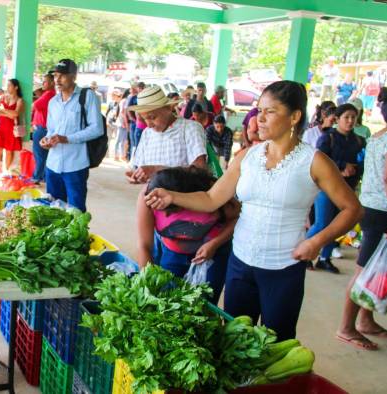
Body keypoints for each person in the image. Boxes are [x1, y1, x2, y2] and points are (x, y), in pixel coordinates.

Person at [145, 80, 363, 340]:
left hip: (283, 267)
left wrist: (317, 241)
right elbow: (211, 199)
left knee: (277, 343)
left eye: (270, 112)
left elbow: (353, 209)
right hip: (240, 264)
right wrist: (172, 195)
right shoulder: (247, 157)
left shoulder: (314, 162)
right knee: (236, 339)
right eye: (259, 110)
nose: (260, 118)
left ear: (294, 116)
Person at [338, 88, 387, 350]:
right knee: (366, 269)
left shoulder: (380, 136)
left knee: (380, 270)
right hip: (386, 213)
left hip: (376, 209)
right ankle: (346, 327)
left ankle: (365, 319)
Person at [137, 167, 239, 304]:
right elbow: (144, 245)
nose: (168, 215)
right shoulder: (149, 197)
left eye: (174, 210)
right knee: (167, 299)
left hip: (213, 254)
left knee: (204, 303)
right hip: (173, 253)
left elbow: (239, 216)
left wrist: (215, 244)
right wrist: (146, 281)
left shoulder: (210, 193)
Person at [306, 104, 365, 274]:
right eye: (346, 117)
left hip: (346, 190)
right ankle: (302, 251)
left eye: (353, 117)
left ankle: (325, 258)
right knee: (322, 223)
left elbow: (363, 164)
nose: (350, 121)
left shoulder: (359, 141)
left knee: (337, 226)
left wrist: (354, 169)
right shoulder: (328, 138)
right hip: (325, 189)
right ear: (337, 119)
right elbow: (318, 160)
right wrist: (341, 166)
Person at [40, 59, 103, 211]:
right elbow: (51, 129)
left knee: (76, 212)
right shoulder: (53, 102)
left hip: (75, 165)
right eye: (55, 76)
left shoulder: (87, 97)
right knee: (53, 211)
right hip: (52, 164)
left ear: (74, 76)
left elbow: (97, 128)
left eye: (62, 75)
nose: (57, 80)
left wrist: (67, 139)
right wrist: (46, 139)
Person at [126, 86, 207, 185]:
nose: (149, 124)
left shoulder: (190, 128)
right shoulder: (147, 134)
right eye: (144, 119)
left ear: (169, 108)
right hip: (153, 197)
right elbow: (140, 167)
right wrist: (137, 175)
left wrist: (158, 170)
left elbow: (199, 171)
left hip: (183, 198)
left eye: (152, 117)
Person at [0, 79, 24, 174]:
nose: (7, 87)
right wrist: (8, 114)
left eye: (9, 85)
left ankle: (6, 172)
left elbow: (15, 114)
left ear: (16, 87)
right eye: (7, 85)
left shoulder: (19, 100)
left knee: (9, 151)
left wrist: (4, 110)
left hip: (11, 129)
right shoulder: (1, 97)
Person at [31, 73, 56, 184]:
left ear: (52, 83)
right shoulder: (49, 94)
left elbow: (34, 106)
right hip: (44, 128)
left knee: (39, 155)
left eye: (45, 81)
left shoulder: (49, 94)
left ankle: (37, 177)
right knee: (43, 155)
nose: (43, 84)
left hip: (42, 128)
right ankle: (43, 177)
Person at [114, 89, 130, 162]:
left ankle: (120, 155)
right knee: (119, 140)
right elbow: (122, 113)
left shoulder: (123, 100)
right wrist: (125, 123)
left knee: (122, 140)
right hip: (121, 123)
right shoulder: (124, 101)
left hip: (122, 123)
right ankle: (116, 155)